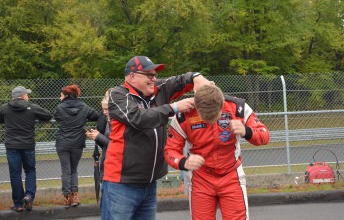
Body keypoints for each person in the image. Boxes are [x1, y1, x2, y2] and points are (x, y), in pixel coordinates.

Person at [101, 55, 211, 220]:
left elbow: (181, 80)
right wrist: (173, 108)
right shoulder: (118, 95)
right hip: (121, 184)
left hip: (149, 184)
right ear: (132, 76)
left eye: (155, 75)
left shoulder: (158, 90)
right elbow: (137, 118)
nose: (154, 79)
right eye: (149, 75)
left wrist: (197, 77)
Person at [164, 84, 270, 220]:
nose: (211, 121)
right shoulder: (183, 114)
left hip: (231, 175)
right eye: (205, 118)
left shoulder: (237, 107)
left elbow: (264, 135)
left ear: (222, 105)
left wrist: (246, 131)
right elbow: (170, 150)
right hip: (201, 178)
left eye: (215, 116)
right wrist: (184, 162)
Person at [0, 86, 52, 212]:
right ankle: (29, 196)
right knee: (30, 170)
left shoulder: (5, 108)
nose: (28, 96)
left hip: (12, 145)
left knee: (15, 174)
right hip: (28, 145)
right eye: (27, 94)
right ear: (23, 96)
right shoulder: (32, 107)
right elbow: (48, 116)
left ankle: (18, 204)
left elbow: (0, 119)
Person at [54, 84, 99, 208]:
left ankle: (66, 196)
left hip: (62, 142)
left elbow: (57, 118)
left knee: (65, 170)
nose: (60, 97)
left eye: (61, 95)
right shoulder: (84, 106)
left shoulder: (60, 107)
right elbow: (95, 116)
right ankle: (75, 196)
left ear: (66, 96)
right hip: (77, 143)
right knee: (74, 170)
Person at [86, 88, 112, 183]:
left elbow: (118, 145)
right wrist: (96, 137)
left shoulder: (121, 122)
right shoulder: (107, 119)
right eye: (103, 109)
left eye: (106, 109)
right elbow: (106, 144)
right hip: (106, 165)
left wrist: (98, 137)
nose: (104, 112)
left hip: (114, 170)